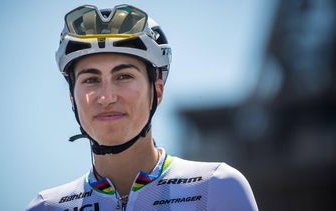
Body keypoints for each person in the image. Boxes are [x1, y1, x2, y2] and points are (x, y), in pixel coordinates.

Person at [26, 4, 258, 211]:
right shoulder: (46, 206)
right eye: (91, 80)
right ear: (71, 97)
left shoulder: (215, 187)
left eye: (124, 76)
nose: (106, 97)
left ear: (157, 91)